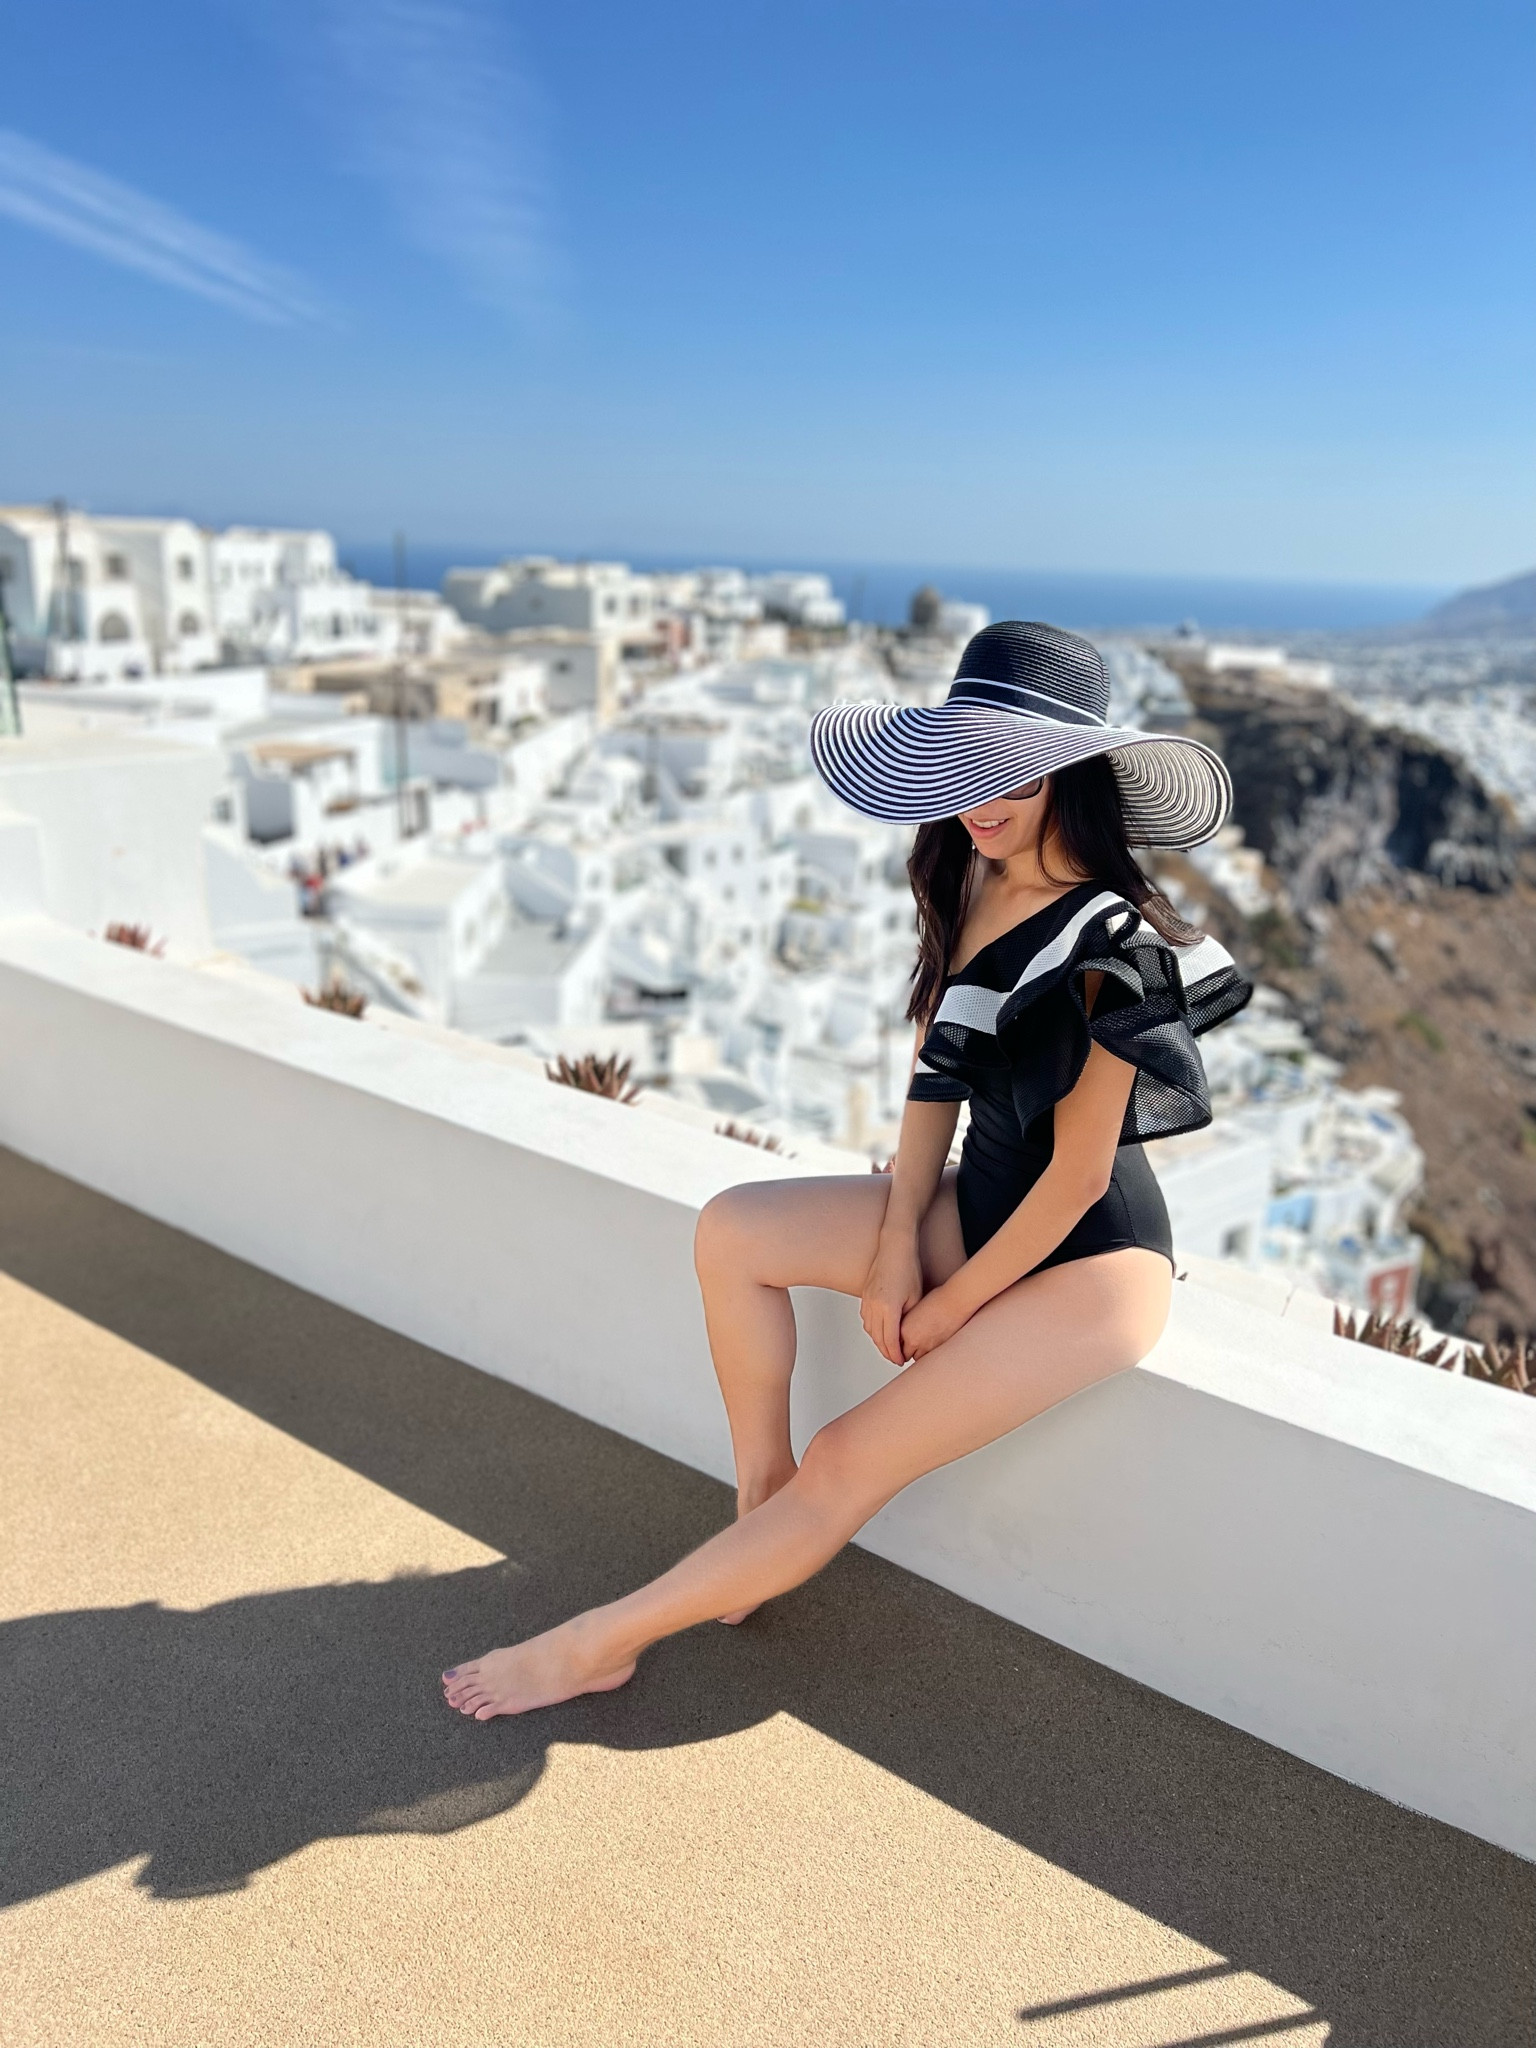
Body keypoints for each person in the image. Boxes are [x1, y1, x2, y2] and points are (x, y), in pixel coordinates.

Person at [443, 622, 1250, 1720]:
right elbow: (937, 1087)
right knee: (732, 1231)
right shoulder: (975, 877)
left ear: (1072, 771)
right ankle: (758, 1503)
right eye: (967, 761)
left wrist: (952, 1301)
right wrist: (888, 1252)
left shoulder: (1115, 940)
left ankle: (599, 1640)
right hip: (987, 1205)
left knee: (849, 1455)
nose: (981, 796)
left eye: (1009, 767)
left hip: (1094, 1260)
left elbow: (1073, 1178)